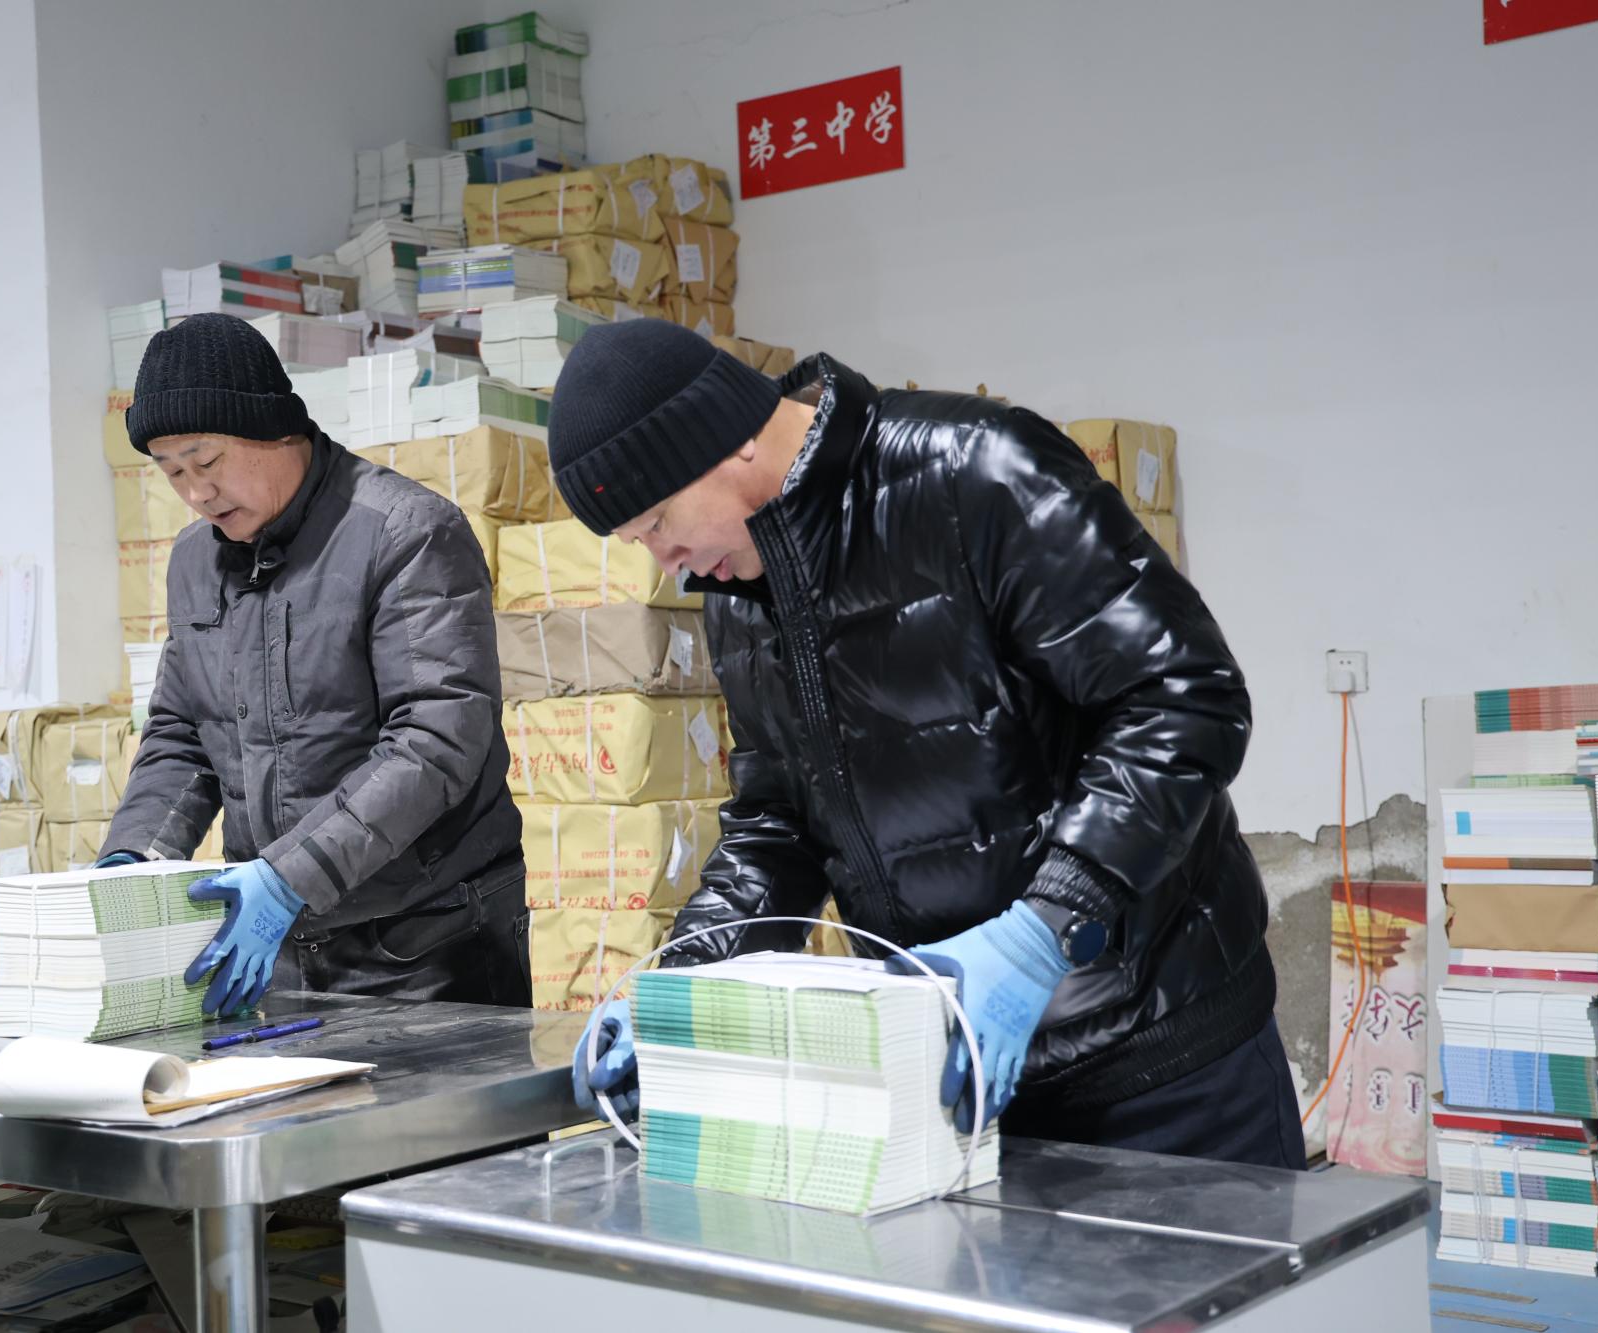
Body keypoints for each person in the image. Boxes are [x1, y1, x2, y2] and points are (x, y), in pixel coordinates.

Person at [550, 320, 1301, 1170]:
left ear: (723, 440)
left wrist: (1045, 929)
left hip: (1162, 1069)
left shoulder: (977, 474)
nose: (668, 562)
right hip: (961, 1081)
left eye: (657, 523)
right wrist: (680, 990)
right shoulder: (741, 592)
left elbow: (1185, 695)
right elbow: (777, 823)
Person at [97, 313, 528, 1018]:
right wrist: (134, 857)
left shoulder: (405, 533)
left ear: (272, 429)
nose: (196, 493)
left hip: (426, 941)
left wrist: (291, 875)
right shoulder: (194, 562)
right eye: (172, 472)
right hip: (281, 946)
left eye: (206, 462)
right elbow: (183, 731)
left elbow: (437, 739)